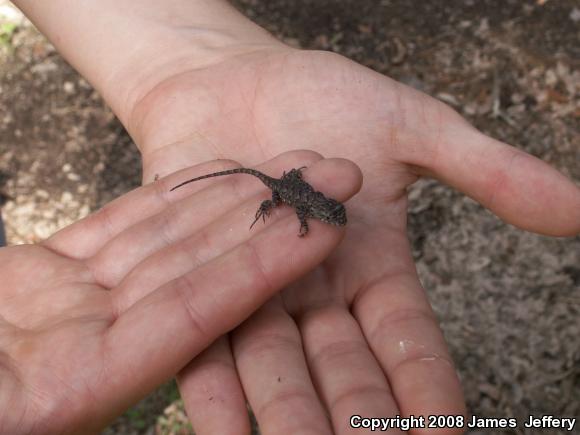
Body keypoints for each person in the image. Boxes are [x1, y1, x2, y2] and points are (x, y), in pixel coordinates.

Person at [2, 1, 579, 434]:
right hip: (282, 187)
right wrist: (285, 207)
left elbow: (316, 203)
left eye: (329, 215)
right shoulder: (301, 205)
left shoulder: (319, 203)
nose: (329, 219)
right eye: (328, 216)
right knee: (274, 200)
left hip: (287, 181)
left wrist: (191, 60)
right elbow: (298, 205)